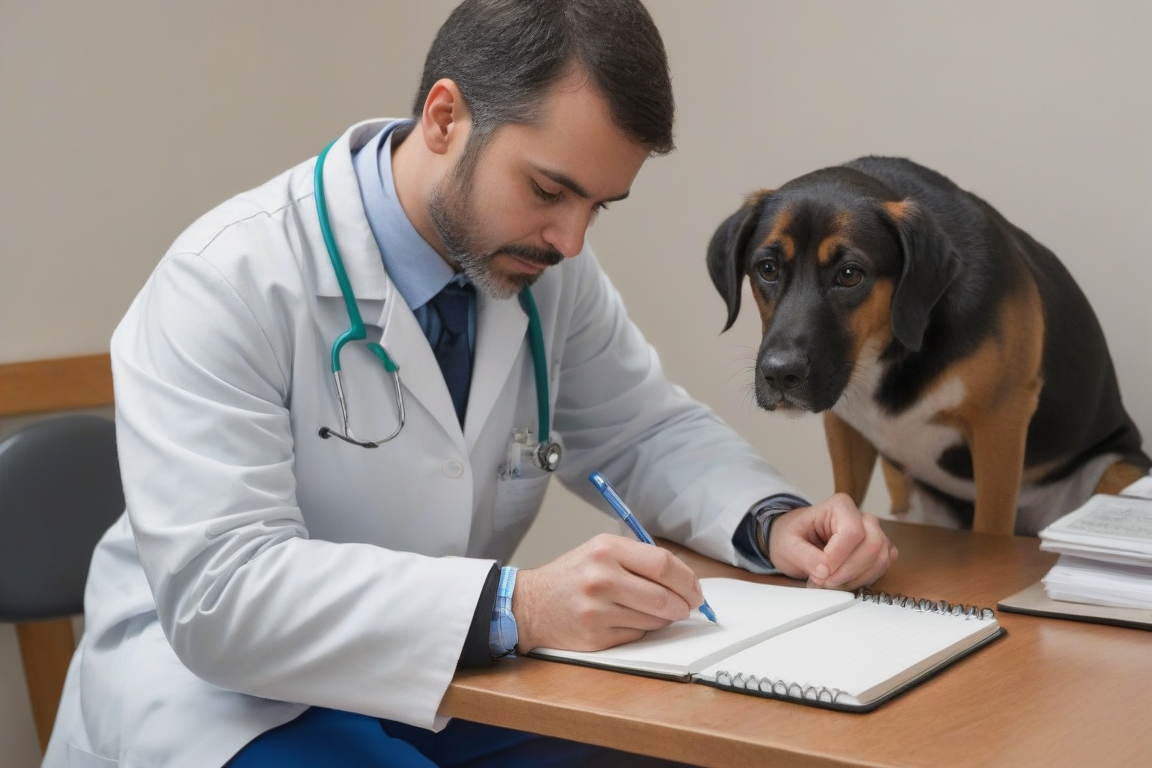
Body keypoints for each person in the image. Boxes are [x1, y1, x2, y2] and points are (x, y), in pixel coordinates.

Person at [44, 1, 896, 766]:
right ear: (446, 117)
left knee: (701, 748)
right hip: (225, 699)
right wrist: (517, 606)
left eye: (600, 206)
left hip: (446, 679)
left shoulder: (541, 270)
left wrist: (775, 522)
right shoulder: (225, 278)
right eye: (548, 190)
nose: (570, 240)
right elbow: (221, 596)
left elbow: (642, 432)